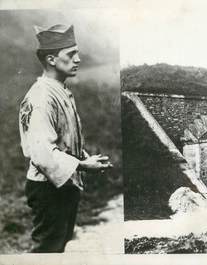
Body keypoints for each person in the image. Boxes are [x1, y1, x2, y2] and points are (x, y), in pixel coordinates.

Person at [18, 24, 112, 253]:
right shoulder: (41, 96)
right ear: (51, 59)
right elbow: (41, 153)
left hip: (63, 183)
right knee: (48, 249)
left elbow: (63, 135)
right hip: (48, 189)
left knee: (59, 246)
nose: (78, 59)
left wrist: (85, 156)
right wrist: (81, 165)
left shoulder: (58, 89)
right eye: (71, 55)